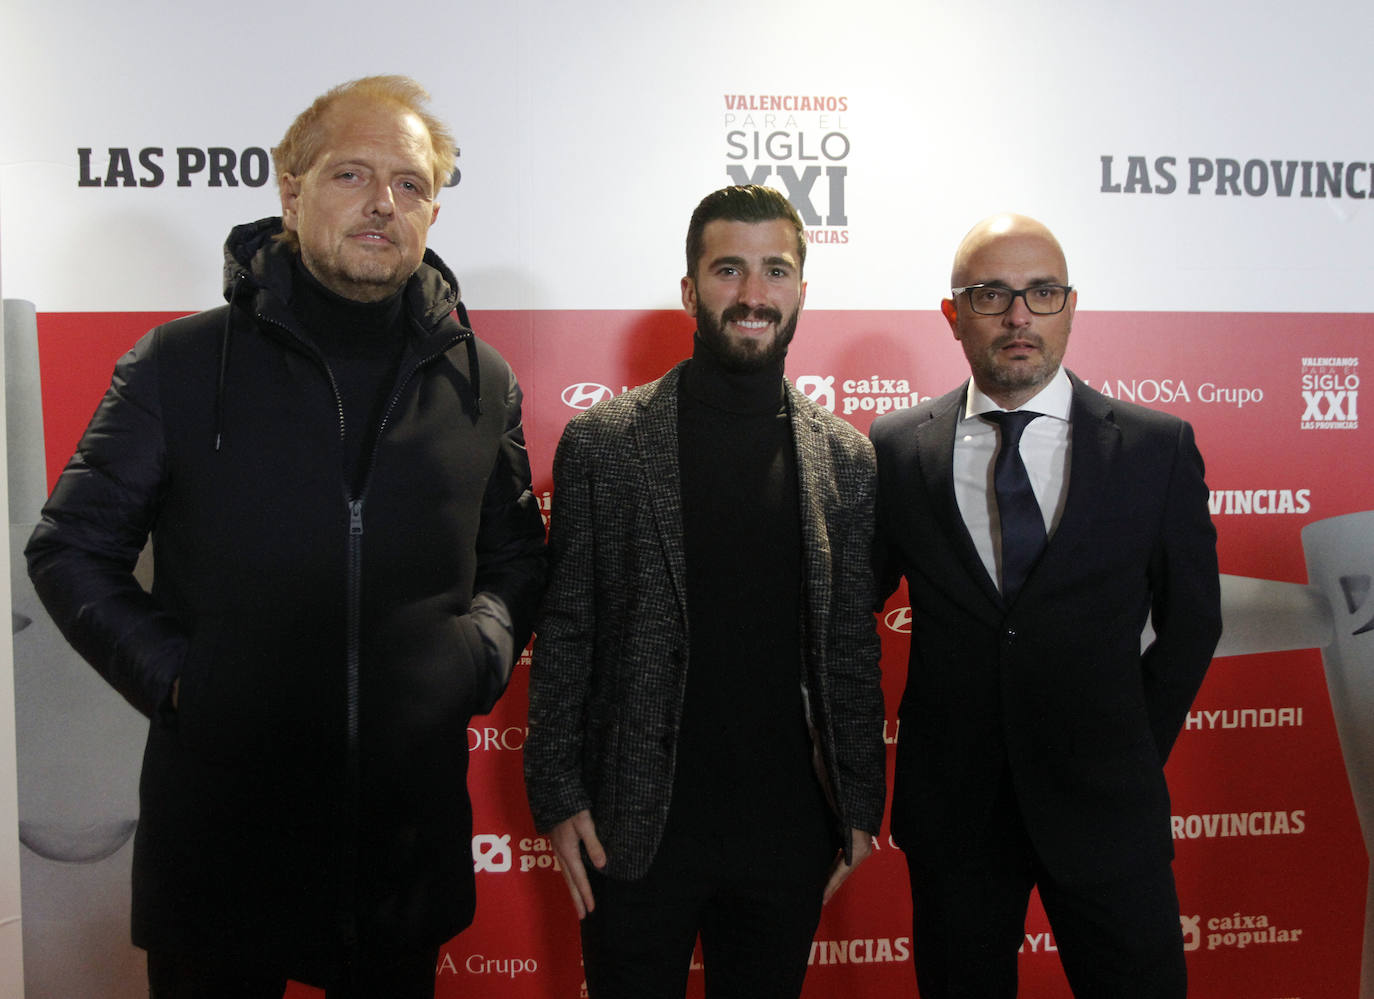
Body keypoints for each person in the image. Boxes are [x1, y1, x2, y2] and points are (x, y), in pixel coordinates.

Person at [25, 75, 547, 998]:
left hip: (403, 855)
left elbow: (514, 554)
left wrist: (479, 651)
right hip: (220, 848)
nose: (383, 202)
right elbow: (70, 547)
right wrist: (182, 676)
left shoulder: (482, 379)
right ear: (290, 187)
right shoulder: (180, 364)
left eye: (411, 183)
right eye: (352, 173)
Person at [524, 185, 886, 999]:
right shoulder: (605, 444)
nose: (753, 294)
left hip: (789, 835)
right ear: (690, 289)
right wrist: (555, 792)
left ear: (800, 289)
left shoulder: (848, 460)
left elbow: (849, 647)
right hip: (632, 828)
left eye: (774, 270)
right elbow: (568, 627)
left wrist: (861, 801)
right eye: (729, 269)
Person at [870, 213, 1222, 998]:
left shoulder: (1155, 447)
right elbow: (848, 611)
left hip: (1108, 811)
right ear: (953, 314)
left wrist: (1126, 744)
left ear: (1071, 305)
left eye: (1042, 292)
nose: (1019, 315)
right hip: (956, 816)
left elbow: (1195, 619)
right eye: (992, 293)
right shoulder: (895, 450)